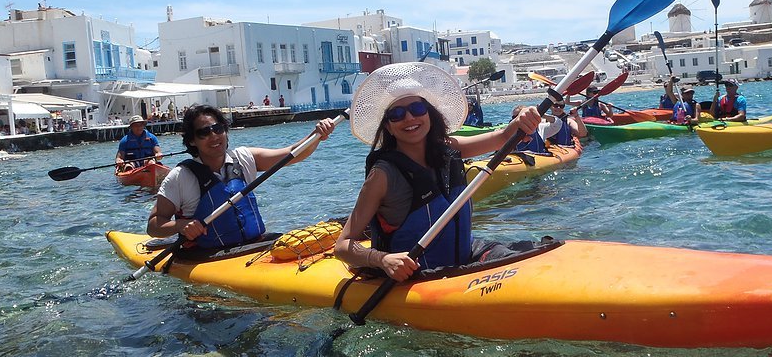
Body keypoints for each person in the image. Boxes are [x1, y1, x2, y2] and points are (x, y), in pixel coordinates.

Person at [334, 62, 540, 281]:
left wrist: (523, 118)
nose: (410, 118)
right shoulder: (382, 175)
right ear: (388, 126)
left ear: (429, 114)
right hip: (418, 276)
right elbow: (342, 246)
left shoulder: (450, 148)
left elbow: (502, 137)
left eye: (417, 109)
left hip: (466, 255)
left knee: (533, 259)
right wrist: (383, 259)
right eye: (397, 114)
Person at [147, 105, 336, 248]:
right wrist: (181, 225)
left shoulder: (243, 158)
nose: (214, 136)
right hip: (208, 256)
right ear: (191, 141)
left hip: (255, 246)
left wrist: (316, 135)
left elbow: (292, 154)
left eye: (218, 128)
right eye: (204, 132)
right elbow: (154, 225)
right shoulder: (180, 177)